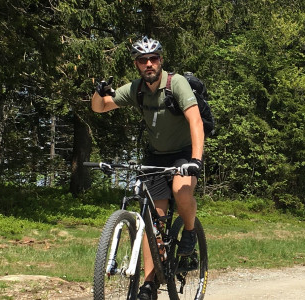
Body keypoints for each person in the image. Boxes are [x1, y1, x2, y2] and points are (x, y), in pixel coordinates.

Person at [90, 36, 204, 300]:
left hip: (183, 154)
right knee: (152, 222)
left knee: (182, 191)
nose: (149, 64)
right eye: (143, 60)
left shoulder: (176, 83)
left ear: (160, 60)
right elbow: (100, 108)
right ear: (137, 64)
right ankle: (150, 283)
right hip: (155, 156)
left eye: (153, 58)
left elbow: (195, 121)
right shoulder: (136, 89)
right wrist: (99, 92)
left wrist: (196, 160)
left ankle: (189, 231)